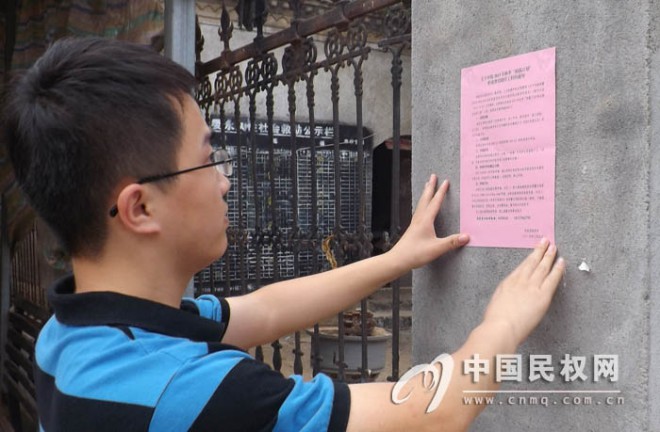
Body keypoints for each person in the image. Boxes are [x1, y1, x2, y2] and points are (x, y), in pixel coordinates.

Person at [2, 37, 565, 432]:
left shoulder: (75, 332)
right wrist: (504, 323)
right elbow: (431, 413)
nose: (225, 180)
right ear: (140, 206)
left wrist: (397, 258)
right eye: (208, 159)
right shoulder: (189, 392)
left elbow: (265, 310)